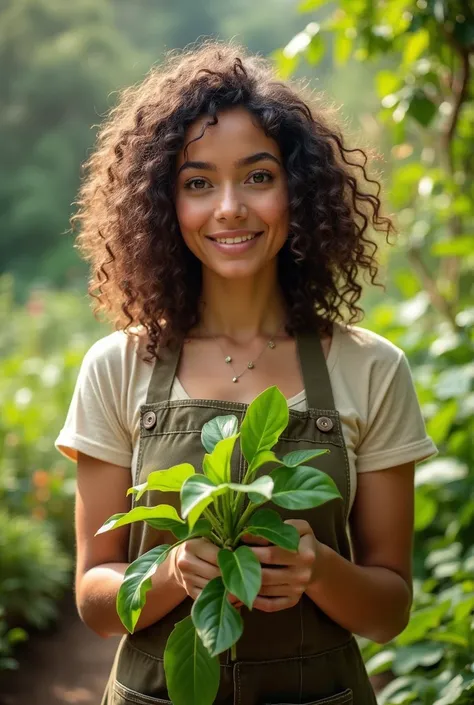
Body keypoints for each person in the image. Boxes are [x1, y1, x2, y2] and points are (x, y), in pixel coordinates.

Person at [55, 40, 438, 705]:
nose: (229, 206)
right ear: (164, 206)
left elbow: (388, 609)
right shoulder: (117, 368)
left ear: (300, 189)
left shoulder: (372, 368)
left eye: (258, 176)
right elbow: (94, 598)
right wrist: (173, 573)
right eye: (198, 182)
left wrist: (319, 569)